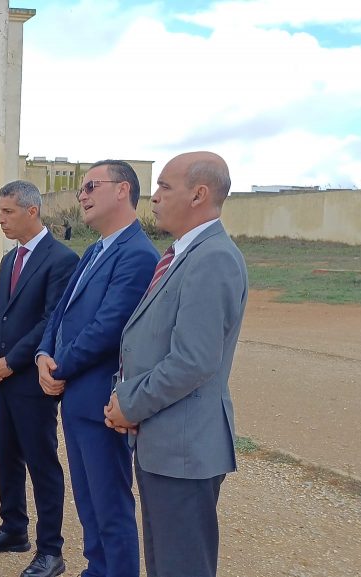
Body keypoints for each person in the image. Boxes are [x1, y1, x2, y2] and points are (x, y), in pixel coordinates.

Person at [105, 151, 248, 577]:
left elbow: (193, 360)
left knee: (181, 566)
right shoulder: (184, 253)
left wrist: (129, 404)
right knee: (165, 562)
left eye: (165, 187)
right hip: (165, 442)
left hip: (185, 449)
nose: (154, 197)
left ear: (198, 194)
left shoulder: (213, 258)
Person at [36, 160, 159, 577]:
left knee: (110, 506)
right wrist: (42, 354)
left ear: (123, 189)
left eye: (91, 186)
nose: (82, 195)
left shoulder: (138, 255)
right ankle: (96, 570)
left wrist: (59, 368)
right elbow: (61, 313)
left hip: (102, 402)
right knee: (89, 504)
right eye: (81, 189)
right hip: (76, 397)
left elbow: (108, 327)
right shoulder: (94, 250)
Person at [0, 181, 77, 577]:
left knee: (41, 463)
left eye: (8, 211)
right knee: (7, 457)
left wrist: (11, 361)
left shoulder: (61, 259)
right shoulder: (9, 259)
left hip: (32, 378)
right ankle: (14, 528)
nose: (0, 219)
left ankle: (51, 550)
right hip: (3, 378)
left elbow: (52, 321)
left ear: (32, 211)